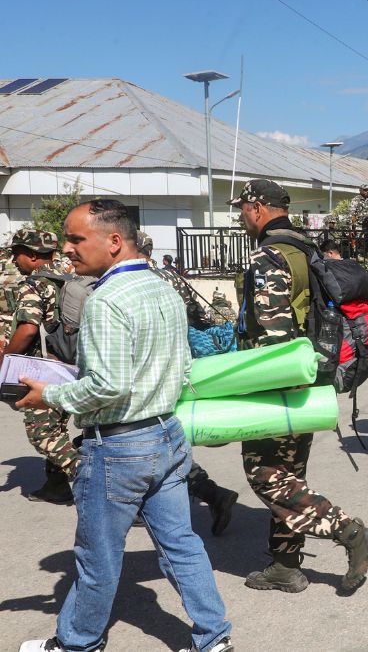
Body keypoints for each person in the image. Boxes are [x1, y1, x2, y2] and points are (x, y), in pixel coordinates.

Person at [17, 198, 233, 652]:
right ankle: (214, 638)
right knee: (181, 543)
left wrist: (49, 394)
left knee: (97, 557)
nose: (67, 249)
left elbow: (109, 386)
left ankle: (78, 642)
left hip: (119, 447)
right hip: (166, 435)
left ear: (114, 242)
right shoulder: (163, 287)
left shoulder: (106, 300)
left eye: (76, 239)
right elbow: (168, 366)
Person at [231, 179, 368, 594]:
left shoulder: (269, 256)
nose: (240, 217)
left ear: (259, 208)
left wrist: (254, 391)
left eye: (242, 209)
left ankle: (355, 535)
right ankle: (284, 565)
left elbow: (274, 337)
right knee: (289, 474)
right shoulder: (308, 249)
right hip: (310, 379)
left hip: (279, 382)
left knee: (265, 474)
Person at [135, 232, 239, 534]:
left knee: (146, 434)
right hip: (178, 362)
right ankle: (209, 493)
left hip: (145, 367)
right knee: (162, 432)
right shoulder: (172, 277)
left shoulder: (130, 280)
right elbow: (196, 315)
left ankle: (199, 494)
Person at [0, 229, 78, 504]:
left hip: (43, 370)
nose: (14, 258)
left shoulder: (34, 284)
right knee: (57, 427)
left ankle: (108, 492)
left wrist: (5, 360)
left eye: (17, 252)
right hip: (72, 366)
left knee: (42, 432)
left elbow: (28, 330)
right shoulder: (69, 278)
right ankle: (56, 486)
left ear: (32, 255)